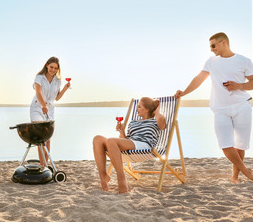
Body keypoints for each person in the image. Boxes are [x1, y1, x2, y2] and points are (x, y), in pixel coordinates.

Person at [175, 32, 253, 184]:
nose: (211, 49)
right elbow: (199, 79)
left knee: (240, 145)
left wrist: (239, 85)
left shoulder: (244, 61)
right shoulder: (211, 62)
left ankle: (235, 177)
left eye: (213, 45)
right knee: (225, 144)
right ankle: (246, 171)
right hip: (220, 109)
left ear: (223, 42)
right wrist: (184, 92)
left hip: (242, 106)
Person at [93, 97, 166, 193]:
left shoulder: (156, 120)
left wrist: (156, 111)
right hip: (132, 143)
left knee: (111, 141)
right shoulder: (133, 122)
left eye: (139, 107)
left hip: (144, 145)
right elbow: (125, 140)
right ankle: (103, 176)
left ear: (147, 109)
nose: (136, 109)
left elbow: (162, 125)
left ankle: (121, 179)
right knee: (97, 139)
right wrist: (122, 132)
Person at [30, 56, 70, 164]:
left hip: (50, 109)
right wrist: (43, 105)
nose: (53, 70)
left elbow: (57, 98)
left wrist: (66, 88)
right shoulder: (39, 77)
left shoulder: (58, 81)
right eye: (51, 67)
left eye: (56, 68)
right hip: (38, 107)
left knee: (48, 138)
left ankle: (45, 165)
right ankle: (42, 164)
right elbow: (38, 93)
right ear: (47, 65)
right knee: (40, 137)